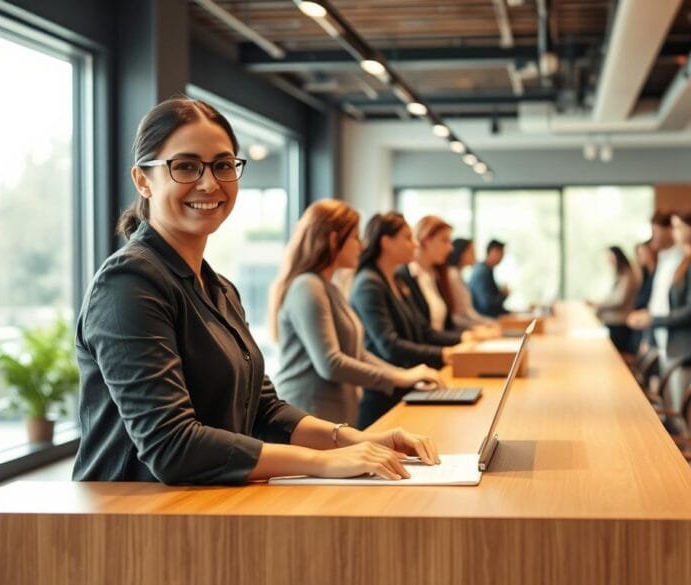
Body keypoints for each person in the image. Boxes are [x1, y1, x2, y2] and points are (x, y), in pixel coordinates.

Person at [72, 98, 438, 485]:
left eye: (223, 165)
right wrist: (323, 462)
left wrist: (357, 439)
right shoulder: (128, 283)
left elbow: (263, 410)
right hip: (129, 513)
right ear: (143, 180)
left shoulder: (220, 289)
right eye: (186, 166)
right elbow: (172, 446)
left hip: (209, 504)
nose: (209, 183)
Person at [266, 200, 444, 424]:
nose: (361, 246)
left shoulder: (330, 287)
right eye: (355, 238)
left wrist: (403, 376)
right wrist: (399, 378)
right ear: (334, 240)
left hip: (332, 415)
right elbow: (331, 364)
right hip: (307, 416)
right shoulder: (308, 286)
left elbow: (357, 353)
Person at [350, 212, 470, 429]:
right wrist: (443, 354)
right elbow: (389, 345)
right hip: (385, 398)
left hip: (409, 387)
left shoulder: (396, 280)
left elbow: (423, 331)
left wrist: (454, 345)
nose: (414, 244)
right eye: (407, 238)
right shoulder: (369, 284)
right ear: (386, 242)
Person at [627, 210, 691, 450]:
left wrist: (653, 320)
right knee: (685, 411)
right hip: (678, 346)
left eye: (679, 227)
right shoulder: (687, 260)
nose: (675, 232)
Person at [592, 246, 639, 356]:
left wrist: (598, 304)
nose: (608, 261)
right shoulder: (618, 275)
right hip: (614, 323)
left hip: (620, 325)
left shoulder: (627, 275)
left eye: (611, 257)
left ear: (618, 257)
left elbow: (618, 300)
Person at [447, 238, 498, 329]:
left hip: (468, 325)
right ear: (461, 253)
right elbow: (460, 315)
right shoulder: (452, 275)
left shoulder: (458, 274)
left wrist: (488, 322)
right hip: (460, 329)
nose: (475, 255)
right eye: (471, 252)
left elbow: (468, 312)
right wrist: (484, 324)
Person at [469, 239, 510, 317]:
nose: (502, 257)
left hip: (489, 316)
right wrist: (503, 295)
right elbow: (485, 304)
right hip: (485, 318)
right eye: (501, 253)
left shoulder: (487, 269)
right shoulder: (482, 271)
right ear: (493, 252)